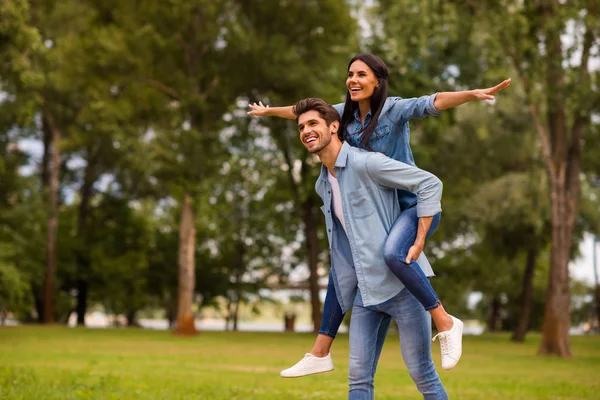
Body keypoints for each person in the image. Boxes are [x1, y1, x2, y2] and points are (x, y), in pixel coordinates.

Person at [248, 54, 510, 375]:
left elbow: (432, 102)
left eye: (361, 74)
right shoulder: (343, 115)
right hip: (386, 210)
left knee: (392, 253)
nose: (353, 80)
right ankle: (319, 352)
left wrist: (470, 94)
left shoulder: (393, 110)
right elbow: (303, 113)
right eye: (350, 74)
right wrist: (268, 111)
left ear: (377, 80)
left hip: (414, 204)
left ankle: (445, 321)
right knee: (341, 263)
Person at [294, 97, 448, 399]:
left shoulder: (367, 163)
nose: (306, 131)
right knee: (359, 378)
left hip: (404, 289)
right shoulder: (322, 184)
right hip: (367, 293)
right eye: (301, 126)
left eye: (313, 123)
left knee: (422, 373)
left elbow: (429, 184)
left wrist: (418, 239)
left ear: (334, 126)